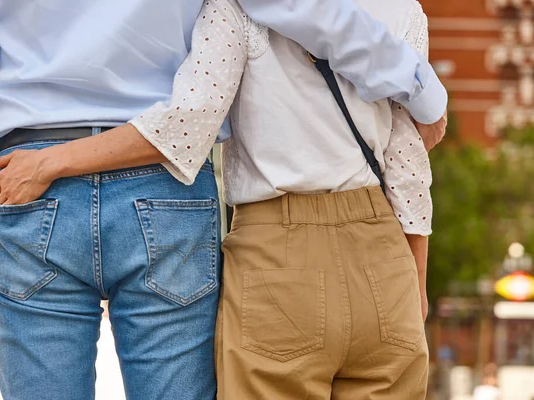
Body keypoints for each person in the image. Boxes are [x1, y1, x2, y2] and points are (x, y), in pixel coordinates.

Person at [0, 1, 446, 400]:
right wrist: (420, 89)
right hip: (165, 187)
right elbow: (300, 8)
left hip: (28, 180)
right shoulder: (401, 14)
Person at [121, 0, 445, 398]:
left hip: (277, 254)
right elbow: (406, 163)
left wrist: (53, 161)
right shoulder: (403, 11)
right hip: (385, 252)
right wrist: (416, 286)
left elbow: (187, 124)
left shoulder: (236, 8)